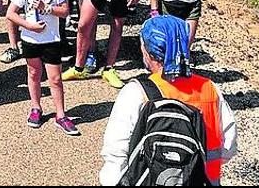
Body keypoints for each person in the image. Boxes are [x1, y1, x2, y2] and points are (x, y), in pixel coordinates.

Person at [99, 15, 239, 185]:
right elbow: (227, 149)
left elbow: (115, 154)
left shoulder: (137, 93)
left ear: (147, 50)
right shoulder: (210, 90)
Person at [6, 0, 80, 136]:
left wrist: (46, 8)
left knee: (55, 78)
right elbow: (11, 13)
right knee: (34, 74)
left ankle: (61, 114)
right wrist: (28, 26)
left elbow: (65, 11)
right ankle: (36, 107)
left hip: (52, 39)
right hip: (31, 39)